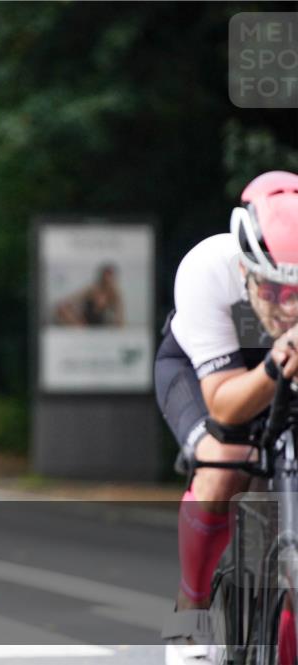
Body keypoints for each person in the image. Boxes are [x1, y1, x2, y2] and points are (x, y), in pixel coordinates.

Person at [155, 171, 298, 665]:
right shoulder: (209, 267)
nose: (287, 306)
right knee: (225, 463)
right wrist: (279, 361)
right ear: (248, 269)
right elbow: (225, 405)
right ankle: (191, 614)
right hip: (206, 375)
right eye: (275, 290)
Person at [53, 263, 125, 327]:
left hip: (101, 323)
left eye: (110, 277)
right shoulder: (92, 289)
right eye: (106, 276)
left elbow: (119, 315)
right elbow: (74, 298)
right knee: (62, 308)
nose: (107, 280)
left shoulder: (115, 293)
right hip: (84, 321)